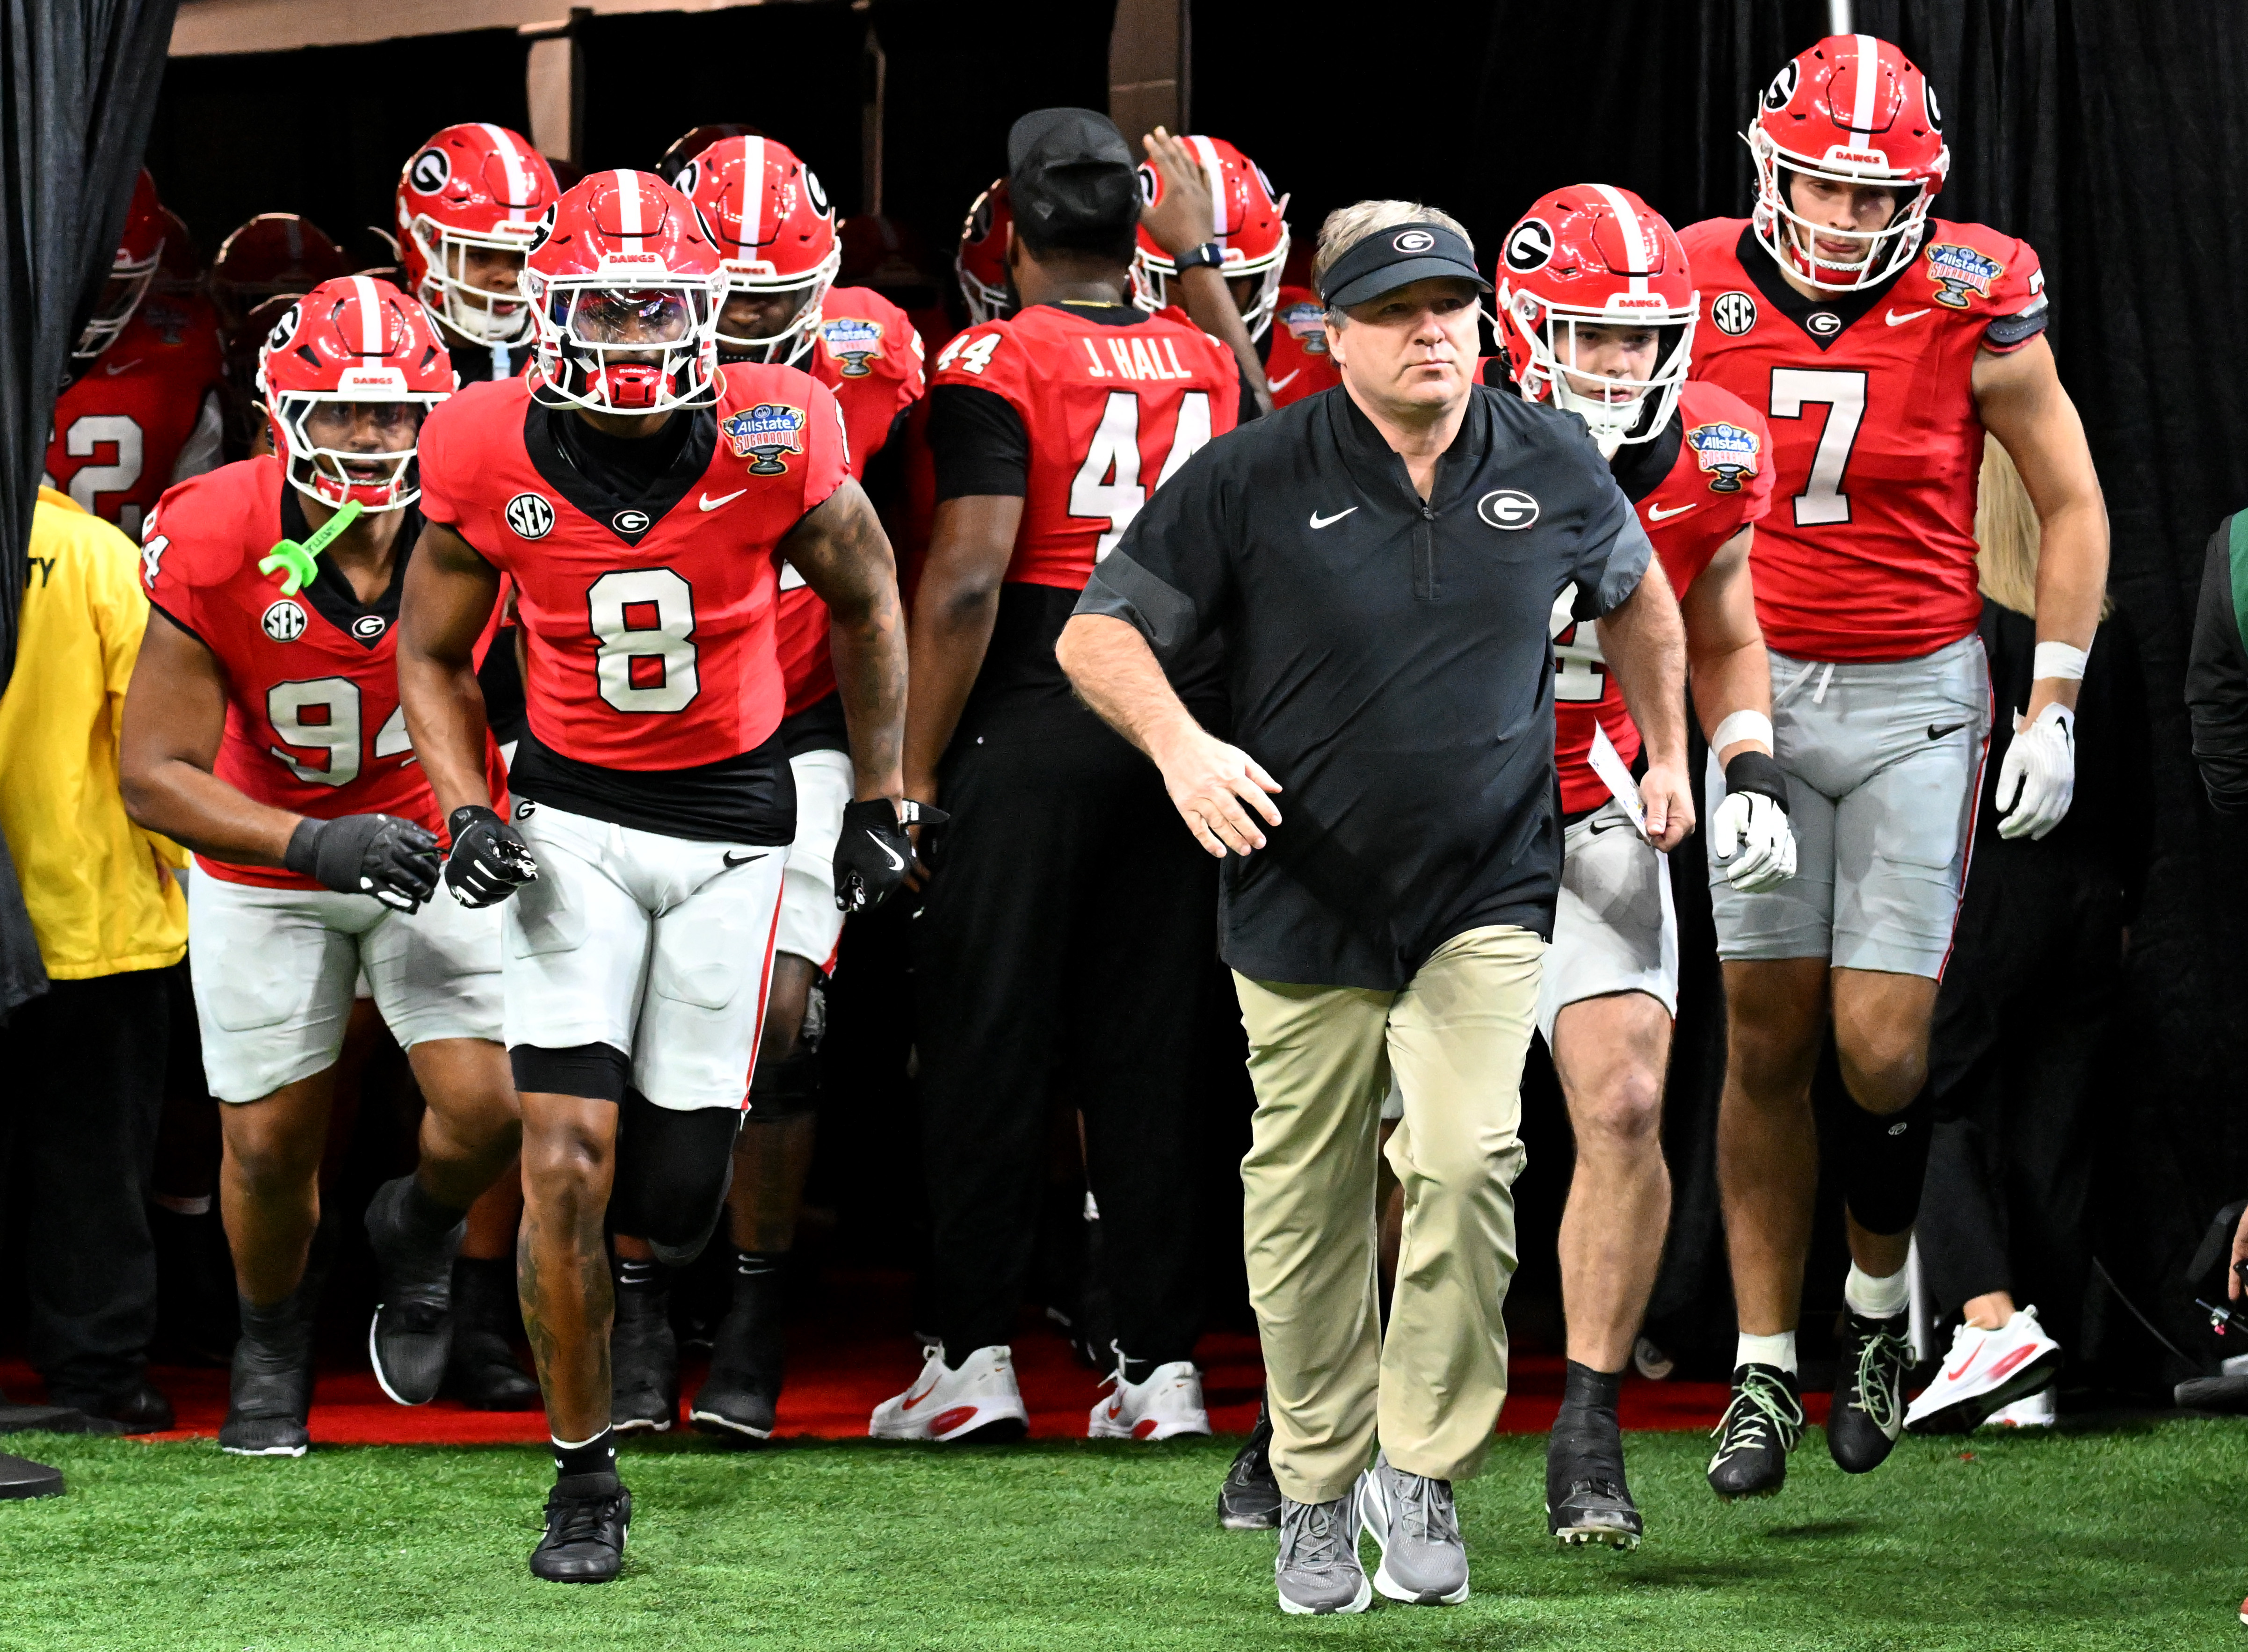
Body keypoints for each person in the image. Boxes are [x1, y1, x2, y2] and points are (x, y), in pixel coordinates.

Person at [1060, 199, 1687, 1615]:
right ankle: (1317, 1481)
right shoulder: (1250, 473)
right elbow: (1096, 633)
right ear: (1331, 334)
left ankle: (1422, 1464)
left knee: (1469, 1161)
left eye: (1453, 308)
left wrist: (1671, 750)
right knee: (1307, 1196)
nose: (1433, 334)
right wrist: (1182, 745)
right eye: (1399, 312)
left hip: (1490, 882)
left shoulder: (1554, 455)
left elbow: (1641, 593)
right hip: (1300, 886)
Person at [394, 167, 911, 1584]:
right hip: (572, 825)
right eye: (601, 305)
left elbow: (868, 601)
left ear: (713, 311)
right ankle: (581, 1476)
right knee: (565, 1156)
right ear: (541, 313)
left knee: (674, 1194)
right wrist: (461, 803)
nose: (630, 333)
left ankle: (629, 1280)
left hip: (739, 829)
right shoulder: (481, 437)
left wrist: (880, 792)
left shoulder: (776, 424)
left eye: (660, 304)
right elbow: (430, 651)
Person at [1679, 32, 2108, 1498]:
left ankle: (1873, 1315)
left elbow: (2071, 500)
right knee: (1764, 1039)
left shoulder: (1972, 289)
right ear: (1769, 167)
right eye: (1823, 187)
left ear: (1921, 199)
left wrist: (2052, 700)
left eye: (1878, 197)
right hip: (1752, 690)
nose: (1849, 220)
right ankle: (1758, 1367)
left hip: (1922, 688)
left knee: (1884, 1048)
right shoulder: (1690, 276)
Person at [871, 108, 1239, 1449]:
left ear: (1013, 229)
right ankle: (1157, 1365)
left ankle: (971, 1356)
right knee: (1151, 1055)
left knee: (985, 1038)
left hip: (1034, 702)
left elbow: (968, 574)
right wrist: (1194, 260)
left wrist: (909, 771)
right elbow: (1246, 422)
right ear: (1133, 221)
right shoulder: (1201, 349)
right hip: (1178, 720)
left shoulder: (991, 352)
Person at [119, 275, 522, 1456]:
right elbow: (153, 772)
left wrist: (489, 821)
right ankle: (272, 1339)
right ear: (277, 415)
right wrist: (312, 842)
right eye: (342, 415)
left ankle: (417, 1222)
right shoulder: (213, 530)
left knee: (491, 1106)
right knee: (268, 1143)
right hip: (271, 855)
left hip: (431, 830)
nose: (370, 438)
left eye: (395, 414)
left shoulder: (486, 513)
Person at [599, 132, 925, 1443]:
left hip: (790, 725)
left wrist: (893, 782)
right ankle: (635, 1297)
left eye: (771, 301)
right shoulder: (597, 344)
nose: (742, 329)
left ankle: (753, 1306)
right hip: (627, 735)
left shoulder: (866, 359)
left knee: (780, 1017)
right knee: (614, 1013)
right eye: (719, 302)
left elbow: (896, 577)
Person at [1484, 184, 1791, 1544]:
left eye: (1640, 339)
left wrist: (1743, 763)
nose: (1617, 367)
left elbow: (1724, 626)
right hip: (1445, 815)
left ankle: (1590, 1422)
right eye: (1589, 338)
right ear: (1518, 330)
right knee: (1408, 1147)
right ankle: (1319, 1412)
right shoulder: (1425, 432)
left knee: (1621, 1105)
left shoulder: (1713, 452)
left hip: (1602, 800)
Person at [1904, 437, 2143, 1434]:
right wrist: (2124, 906)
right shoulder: (2101, 630)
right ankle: (2034, 1368)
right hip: (2085, 907)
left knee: (1920, 1103)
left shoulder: (1943, 624)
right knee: (2057, 1131)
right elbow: (2139, 790)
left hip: (1967, 898)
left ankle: (1989, 1318)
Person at [0, 485, 190, 1433]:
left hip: (81, 912)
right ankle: (98, 1373)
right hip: (90, 910)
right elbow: (156, 742)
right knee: (92, 1160)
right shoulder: (94, 552)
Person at [44, 170, 226, 541]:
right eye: (69, 287)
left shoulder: (182, 356)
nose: (84, 312)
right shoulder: (184, 351)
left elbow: (200, 534)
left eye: (109, 288)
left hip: (133, 591)